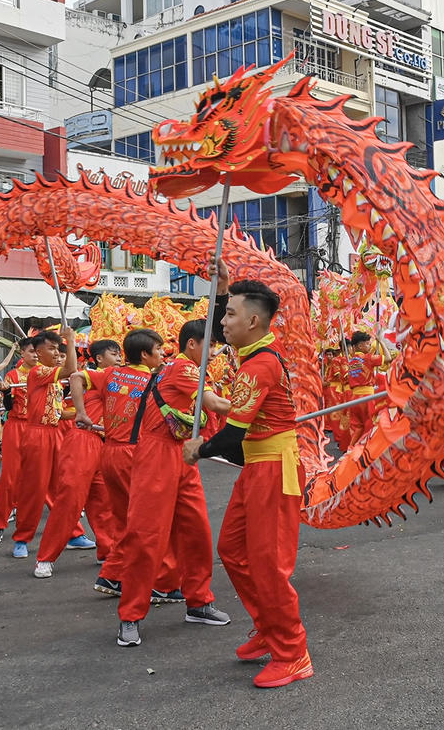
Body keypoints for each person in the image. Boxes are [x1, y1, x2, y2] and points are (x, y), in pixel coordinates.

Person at [183, 279, 313, 688]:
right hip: (257, 467)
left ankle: (293, 653)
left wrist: (198, 450)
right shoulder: (251, 354)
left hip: (273, 468)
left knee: (269, 565)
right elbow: (241, 441)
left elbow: (232, 438)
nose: (223, 321)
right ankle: (268, 628)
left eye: (230, 314)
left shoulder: (259, 365)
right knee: (234, 550)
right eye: (224, 311)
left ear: (253, 321)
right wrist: (223, 289)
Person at [101, 320, 231, 647]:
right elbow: (214, 404)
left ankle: (199, 602)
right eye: (210, 345)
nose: (214, 352)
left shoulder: (179, 367)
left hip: (181, 452)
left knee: (197, 530)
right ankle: (130, 616)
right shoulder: (184, 368)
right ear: (191, 345)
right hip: (156, 454)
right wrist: (263, 410)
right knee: (146, 536)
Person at [74, 329, 184, 603]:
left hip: (109, 453)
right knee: (152, 520)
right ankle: (160, 581)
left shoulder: (112, 374)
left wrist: (81, 412)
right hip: (135, 455)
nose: (163, 354)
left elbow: (76, 376)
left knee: (125, 520)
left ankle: (113, 575)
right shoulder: (154, 381)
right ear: (145, 354)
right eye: (159, 349)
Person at [33, 340, 123, 578]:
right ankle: (46, 557)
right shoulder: (99, 375)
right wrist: (81, 413)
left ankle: (109, 551)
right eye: (114, 354)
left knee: (103, 502)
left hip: (105, 444)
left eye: (120, 354)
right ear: (99, 359)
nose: (119, 358)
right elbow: (75, 376)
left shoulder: (122, 378)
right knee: (70, 499)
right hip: (83, 441)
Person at [8, 329, 78, 559]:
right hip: (37, 436)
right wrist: (72, 341)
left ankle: (73, 533)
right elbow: (71, 369)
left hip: (55, 432)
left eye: (58, 348)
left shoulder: (53, 380)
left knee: (64, 486)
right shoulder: (39, 372)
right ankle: (22, 538)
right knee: (34, 489)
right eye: (51, 348)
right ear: (38, 352)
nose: (56, 352)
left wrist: (81, 413)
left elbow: (57, 412)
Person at [0, 338, 37, 544]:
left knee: (45, 480)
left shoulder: (46, 372)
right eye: (31, 351)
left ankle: (73, 531)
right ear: (22, 354)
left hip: (39, 428)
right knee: (9, 478)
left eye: (38, 352)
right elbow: (8, 407)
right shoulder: (13, 375)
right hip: (17, 426)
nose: (35, 355)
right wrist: (7, 392)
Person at [344, 331, 384, 451]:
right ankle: (368, 451)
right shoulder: (367, 358)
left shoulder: (351, 361)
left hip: (354, 398)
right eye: (367, 344)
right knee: (371, 426)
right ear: (360, 346)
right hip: (367, 397)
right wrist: (381, 341)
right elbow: (387, 358)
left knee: (358, 428)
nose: (369, 346)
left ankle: (350, 450)